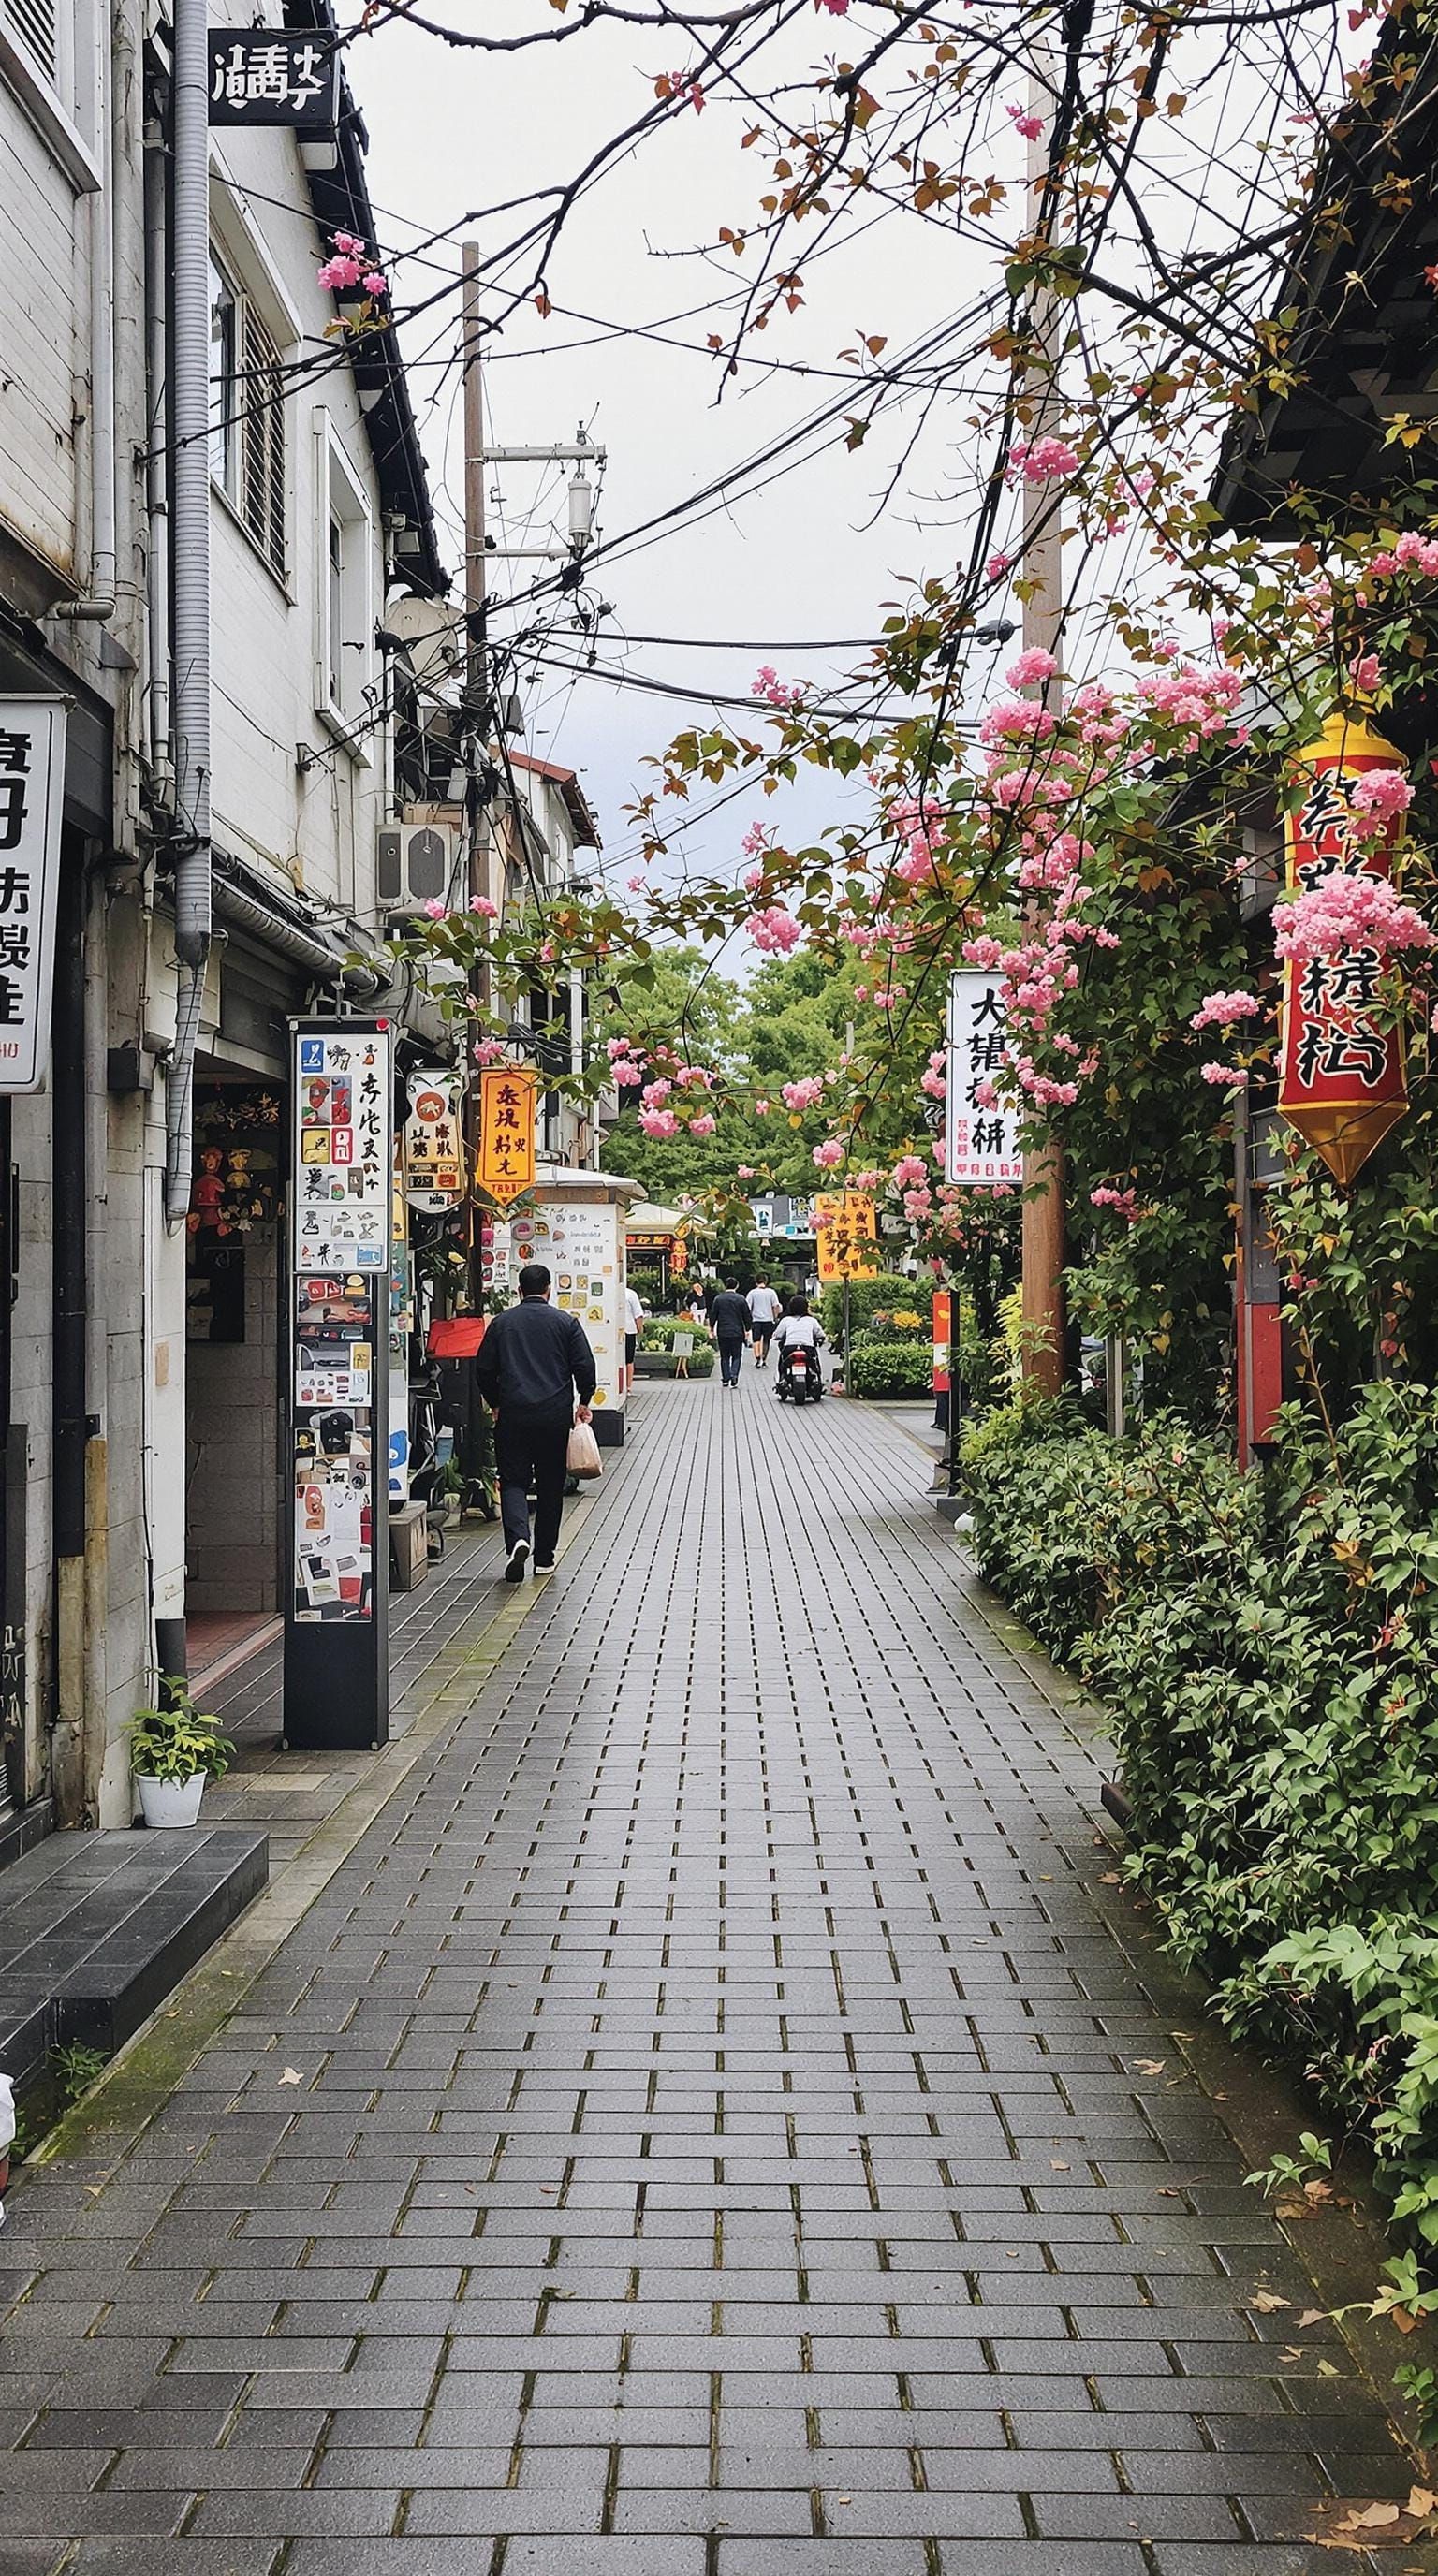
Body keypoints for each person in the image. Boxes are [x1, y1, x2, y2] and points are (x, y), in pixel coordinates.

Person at [474, 1264, 596, 1580]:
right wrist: (584, 1401)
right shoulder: (565, 1323)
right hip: (554, 1418)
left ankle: (518, 1539)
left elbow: (484, 1370)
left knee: (513, 1480)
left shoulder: (502, 1324)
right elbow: (584, 1365)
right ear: (549, 1289)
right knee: (550, 1486)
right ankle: (544, 1557)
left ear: (519, 1290)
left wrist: (497, 1403)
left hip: (513, 1414)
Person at [772, 1293, 827, 1389]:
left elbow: (777, 1335)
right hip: (808, 1348)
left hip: (790, 1348)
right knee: (815, 1363)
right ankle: (817, 1380)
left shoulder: (786, 1320)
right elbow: (821, 1334)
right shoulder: (812, 1320)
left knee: (782, 1363)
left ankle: (782, 1379)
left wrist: (777, 1337)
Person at [711, 1277, 753, 1388]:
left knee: (724, 1356)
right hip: (737, 1331)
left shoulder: (718, 1299)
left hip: (723, 1331)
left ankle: (725, 1378)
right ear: (736, 1286)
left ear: (725, 1285)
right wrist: (748, 1329)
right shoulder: (741, 1299)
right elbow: (747, 1316)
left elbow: (713, 1315)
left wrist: (711, 1328)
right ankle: (734, 1375)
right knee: (736, 1355)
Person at [746, 1276, 783, 1369]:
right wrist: (775, 1317)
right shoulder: (771, 1292)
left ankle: (758, 1358)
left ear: (756, 1282)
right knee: (766, 1341)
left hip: (756, 1320)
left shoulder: (752, 1293)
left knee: (756, 1340)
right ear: (766, 1282)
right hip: (768, 1320)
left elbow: (748, 1307)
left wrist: (748, 1319)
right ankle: (764, 1359)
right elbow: (776, 1306)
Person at [623, 1280, 646, 1390]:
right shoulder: (631, 1294)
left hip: (612, 1332)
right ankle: (628, 1386)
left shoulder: (610, 1292)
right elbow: (638, 1315)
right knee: (629, 1360)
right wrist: (640, 1329)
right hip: (629, 1330)